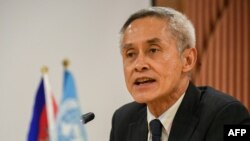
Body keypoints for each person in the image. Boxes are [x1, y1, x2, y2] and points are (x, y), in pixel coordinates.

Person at [109, 7, 250, 141]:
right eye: (130, 54)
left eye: (153, 50)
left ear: (187, 60)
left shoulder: (227, 115)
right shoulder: (123, 120)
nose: (139, 65)